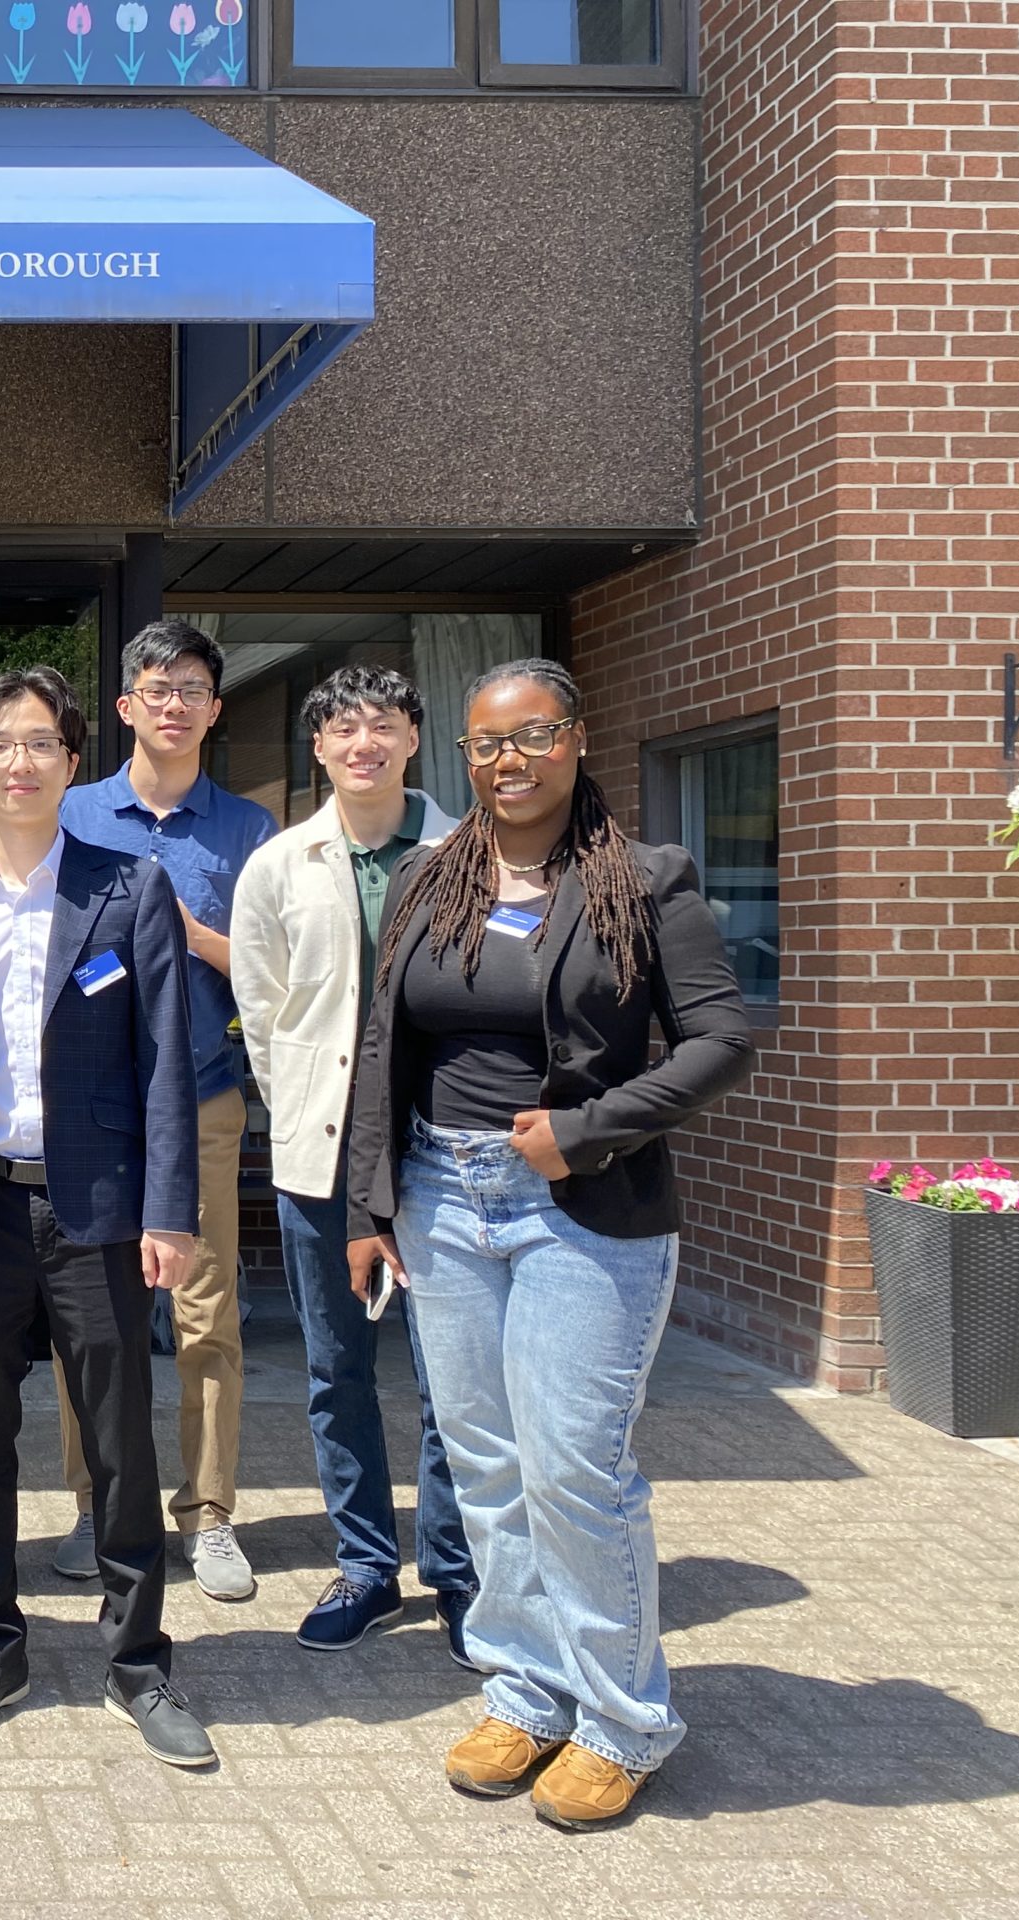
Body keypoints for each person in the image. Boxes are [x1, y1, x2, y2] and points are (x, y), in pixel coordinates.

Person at [345, 658, 754, 1832]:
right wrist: (371, 1206)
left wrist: (585, 1130)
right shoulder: (428, 877)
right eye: (486, 743)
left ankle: (622, 1720)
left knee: (573, 1465)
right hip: (441, 1195)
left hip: (580, 1205)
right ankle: (526, 1690)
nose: (508, 759)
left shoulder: (645, 880)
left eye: (531, 735)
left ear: (575, 739)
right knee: (483, 1461)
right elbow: (382, 1043)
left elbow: (719, 1040)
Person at [0, 666, 214, 1768]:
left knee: (119, 1441)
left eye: (40, 744)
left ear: (72, 764)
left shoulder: (129, 887)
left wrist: (168, 1208)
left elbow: (165, 1063)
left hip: (99, 1210)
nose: (19, 762)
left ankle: (138, 1659)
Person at [232, 665, 475, 1660]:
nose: (363, 742)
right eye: (342, 727)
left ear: (414, 738)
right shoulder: (279, 864)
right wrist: (303, 1106)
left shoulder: (473, 852)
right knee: (337, 1367)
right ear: (320, 748)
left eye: (383, 724)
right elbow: (262, 1009)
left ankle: (457, 1572)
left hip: (449, 1148)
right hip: (323, 1153)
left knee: (453, 1374)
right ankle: (368, 1565)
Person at [56, 618, 275, 1601]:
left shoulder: (247, 830)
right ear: (126, 706)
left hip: (203, 1097)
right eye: (157, 686)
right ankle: (95, 1504)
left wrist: (189, 935)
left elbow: (273, 970)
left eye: (191, 688)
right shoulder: (71, 812)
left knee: (205, 1311)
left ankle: (210, 1514)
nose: (174, 703)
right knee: (88, 1317)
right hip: (92, 1107)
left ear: (214, 709)